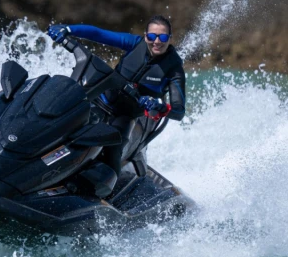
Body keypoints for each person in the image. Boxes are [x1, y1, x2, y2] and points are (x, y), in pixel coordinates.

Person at [47, 15, 186, 182]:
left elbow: (178, 111)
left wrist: (160, 105)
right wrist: (68, 29)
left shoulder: (174, 68)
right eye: (152, 36)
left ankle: (104, 193)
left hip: (125, 116)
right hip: (100, 100)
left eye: (163, 37)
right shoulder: (134, 44)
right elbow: (98, 34)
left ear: (169, 38)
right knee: (62, 119)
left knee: (113, 147)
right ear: (145, 36)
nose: (157, 41)